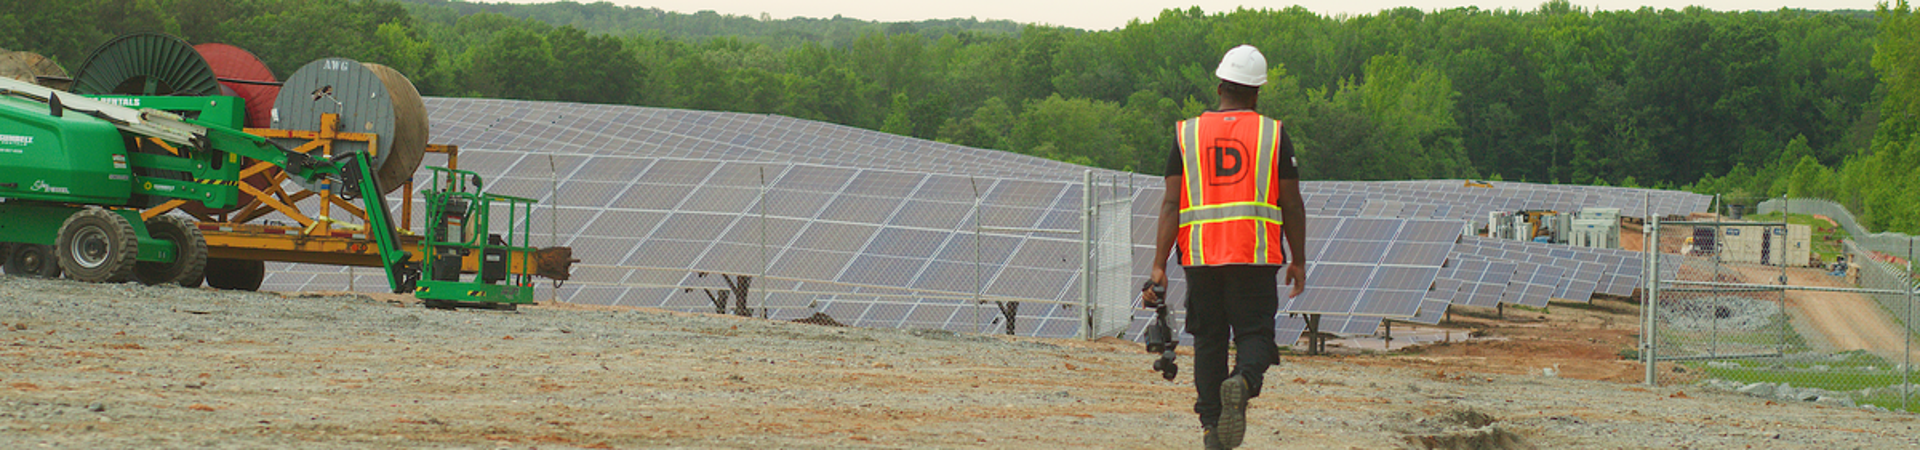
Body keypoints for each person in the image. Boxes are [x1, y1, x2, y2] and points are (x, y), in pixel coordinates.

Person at [1143, 44, 1307, 450]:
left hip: (1200, 256)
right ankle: (1244, 381)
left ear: (1219, 86)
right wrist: (1298, 259)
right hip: (1254, 254)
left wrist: (1159, 265)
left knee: (1208, 339)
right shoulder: (1272, 133)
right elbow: (1291, 201)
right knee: (1255, 334)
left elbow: (1170, 202)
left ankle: (1212, 427)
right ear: (1256, 93)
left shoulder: (1187, 133)